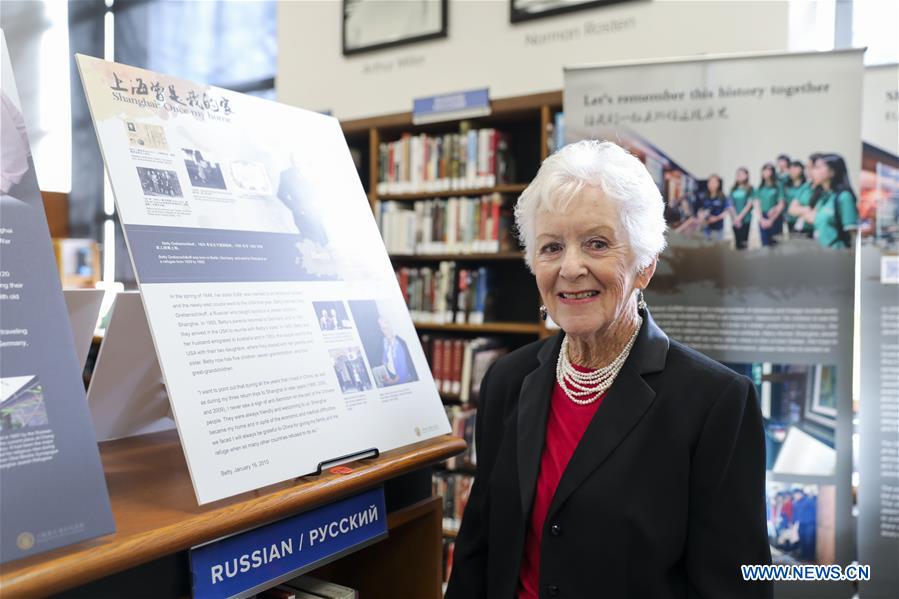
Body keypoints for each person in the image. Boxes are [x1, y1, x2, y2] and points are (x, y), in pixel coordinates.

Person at [446, 140, 772, 599]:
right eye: (551, 247)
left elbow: (733, 588)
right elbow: (478, 552)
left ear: (645, 266)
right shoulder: (507, 380)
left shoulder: (716, 404)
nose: (570, 268)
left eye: (596, 244)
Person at [793, 154, 859, 249]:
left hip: (839, 253)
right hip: (821, 250)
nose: (812, 172)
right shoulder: (824, 196)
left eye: (818, 168)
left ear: (832, 172)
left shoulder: (844, 197)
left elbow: (853, 236)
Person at [277, 153, 330, 247]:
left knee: (324, 241)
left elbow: (320, 188)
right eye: (295, 160)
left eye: (300, 160)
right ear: (292, 161)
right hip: (301, 214)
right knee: (310, 242)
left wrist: (321, 204)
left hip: (315, 212)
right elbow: (281, 194)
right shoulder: (286, 175)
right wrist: (295, 207)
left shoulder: (312, 170)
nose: (298, 163)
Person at [378, 316, 417, 385]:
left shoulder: (399, 344)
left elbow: (403, 369)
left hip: (403, 380)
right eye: (383, 328)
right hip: (392, 375)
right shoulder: (385, 341)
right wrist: (383, 370)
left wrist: (394, 381)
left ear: (391, 326)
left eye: (387, 327)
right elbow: (385, 358)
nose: (385, 331)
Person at [753, 163, 785, 247]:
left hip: (775, 217)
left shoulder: (778, 185)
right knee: (765, 244)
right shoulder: (760, 187)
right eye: (764, 170)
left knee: (776, 244)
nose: (766, 173)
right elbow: (756, 203)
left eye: (768, 170)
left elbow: (781, 204)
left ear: (773, 172)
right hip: (763, 217)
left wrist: (771, 220)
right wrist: (761, 219)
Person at [787, 156, 818, 238]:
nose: (808, 171)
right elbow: (791, 209)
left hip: (818, 231)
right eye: (807, 167)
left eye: (812, 167)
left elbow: (816, 217)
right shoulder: (806, 186)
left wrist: (800, 210)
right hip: (801, 228)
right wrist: (808, 209)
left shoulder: (826, 190)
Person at [696, 174, 728, 241]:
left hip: (718, 229)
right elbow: (700, 209)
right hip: (706, 228)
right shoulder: (703, 196)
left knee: (717, 246)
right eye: (710, 182)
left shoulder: (722, 196)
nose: (711, 184)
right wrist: (700, 215)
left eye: (714, 182)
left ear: (718, 184)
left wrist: (716, 218)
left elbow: (726, 211)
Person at [729, 167, 754, 250]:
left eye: (742, 174)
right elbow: (730, 205)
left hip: (745, 219)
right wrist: (735, 218)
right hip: (734, 220)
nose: (739, 175)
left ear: (747, 176)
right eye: (738, 174)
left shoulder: (750, 188)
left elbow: (749, 204)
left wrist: (739, 217)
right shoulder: (733, 189)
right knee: (737, 243)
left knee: (744, 243)